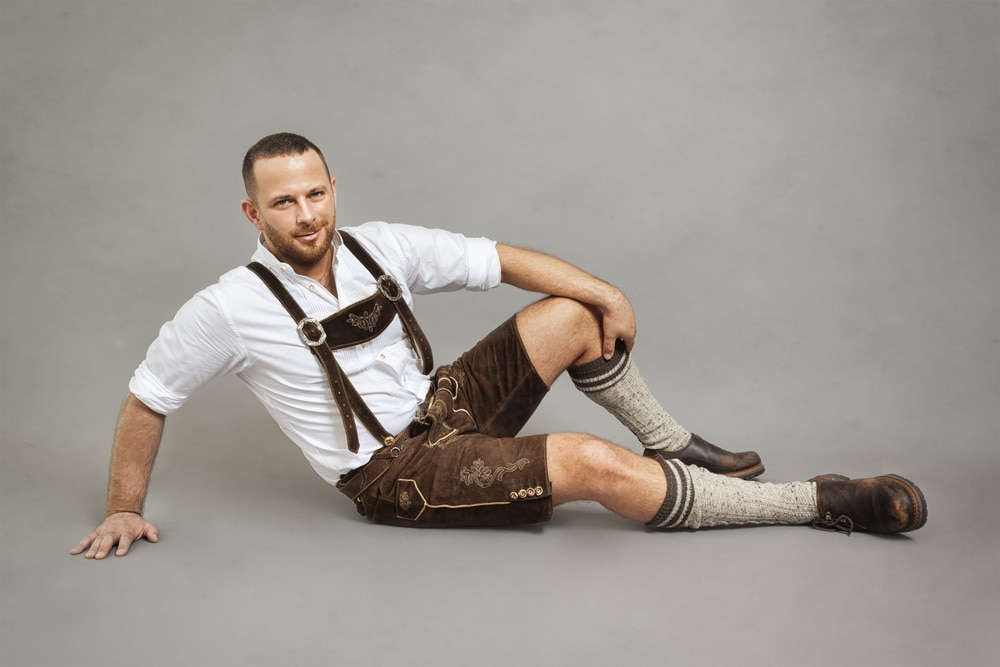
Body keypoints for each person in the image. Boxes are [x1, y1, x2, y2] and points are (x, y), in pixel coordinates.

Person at [71, 133, 927, 559]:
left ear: (334, 189)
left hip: (448, 404)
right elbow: (149, 395)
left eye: (316, 193)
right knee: (592, 461)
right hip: (396, 472)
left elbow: (500, 259)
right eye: (285, 204)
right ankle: (817, 500)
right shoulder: (228, 307)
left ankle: (670, 442)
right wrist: (121, 503)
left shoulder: (378, 245)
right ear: (254, 216)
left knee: (570, 311)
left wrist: (604, 291)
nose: (308, 216)